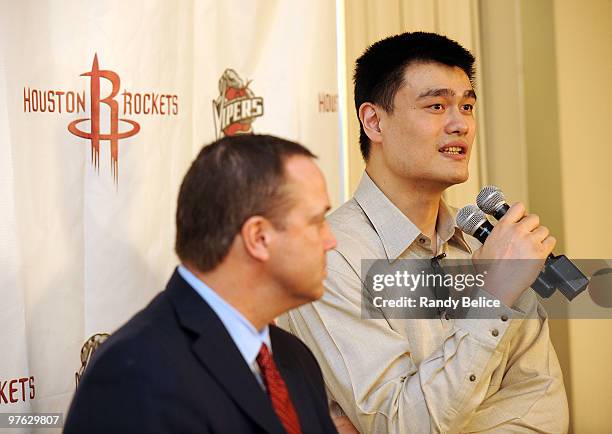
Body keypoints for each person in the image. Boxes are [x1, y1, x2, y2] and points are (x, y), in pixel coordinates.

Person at [280, 32, 569, 433]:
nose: (460, 124)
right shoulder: (328, 256)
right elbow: (398, 424)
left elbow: (544, 411)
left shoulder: (488, 245)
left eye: (467, 106)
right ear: (374, 121)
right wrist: (491, 297)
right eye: (436, 106)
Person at [64, 134, 339, 434]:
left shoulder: (294, 358)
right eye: (317, 222)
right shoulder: (135, 375)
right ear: (258, 238)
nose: (331, 241)